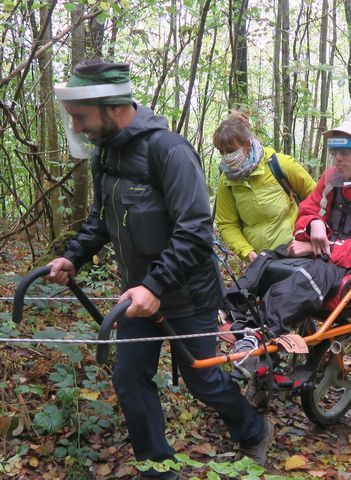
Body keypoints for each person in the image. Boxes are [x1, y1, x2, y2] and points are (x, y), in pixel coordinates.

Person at [46, 60, 273, 478]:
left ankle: (254, 430)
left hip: (188, 294)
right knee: (130, 380)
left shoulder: (169, 150)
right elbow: (101, 219)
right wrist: (73, 257)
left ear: (113, 108)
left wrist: (156, 284)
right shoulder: (106, 155)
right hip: (137, 296)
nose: (77, 127)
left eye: (82, 117)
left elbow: (195, 231)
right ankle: (159, 469)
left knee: (203, 381)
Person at [227, 113, 351, 376]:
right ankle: (230, 309)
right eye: (335, 150)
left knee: (311, 274)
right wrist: (312, 225)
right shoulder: (332, 178)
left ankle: (260, 336)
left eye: (347, 150)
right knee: (271, 256)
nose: (338, 157)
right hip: (331, 253)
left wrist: (314, 248)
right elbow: (306, 213)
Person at [214, 113, 316, 262]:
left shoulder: (279, 164)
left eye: (230, 151)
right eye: (221, 151)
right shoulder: (226, 181)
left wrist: (309, 237)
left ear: (247, 146)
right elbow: (227, 223)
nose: (226, 156)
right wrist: (247, 252)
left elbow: (316, 197)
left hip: (296, 254)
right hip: (261, 261)